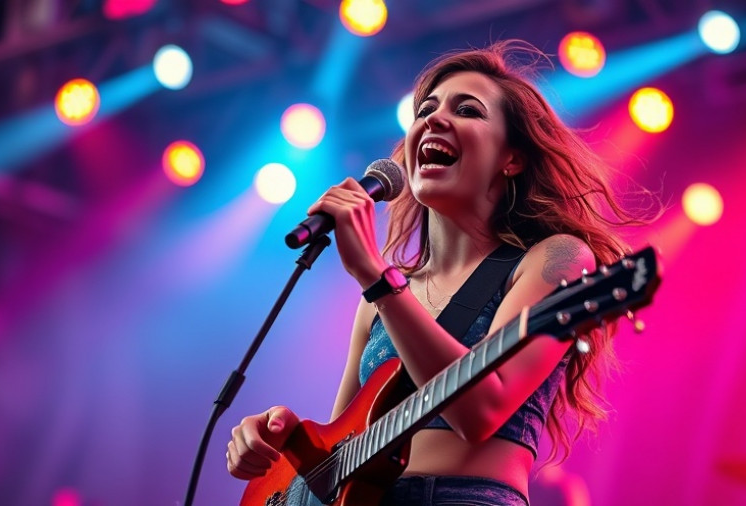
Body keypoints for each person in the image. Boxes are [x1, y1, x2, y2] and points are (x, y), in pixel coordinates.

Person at [227, 40, 651, 505]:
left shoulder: (556, 259)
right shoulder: (381, 303)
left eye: (468, 110)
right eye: (425, 108)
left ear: (512, 158)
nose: (434, 118)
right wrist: (287, 443)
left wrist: (375, 276)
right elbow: (335, 459)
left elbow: (480, 412)